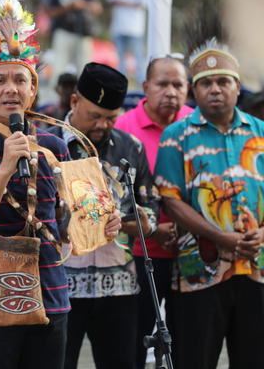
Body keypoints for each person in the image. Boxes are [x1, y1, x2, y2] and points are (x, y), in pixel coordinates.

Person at [0, 0, 121, 369]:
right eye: (0, 80)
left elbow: (74, 232)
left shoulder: (55, 144)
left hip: (52, 298)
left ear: (33, 89)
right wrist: (5, 167)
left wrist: (99, 224)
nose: (11, 89)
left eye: (20, 80)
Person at [154, 16, 264, 368]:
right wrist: (224, 238)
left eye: (223, 82)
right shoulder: (176, 136)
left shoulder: (261, 132)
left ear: (237, 87)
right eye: (206, 83)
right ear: (194, 90)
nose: (215, 89)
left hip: (258, 269)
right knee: (194, 359)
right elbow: (170, 202)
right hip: (200, 273)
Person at [48, 62, 160, 369]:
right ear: (74, 102)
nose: (102, 125)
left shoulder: (130, 148)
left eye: (111, 118)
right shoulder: (45, 145)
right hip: (59, 285)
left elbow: (151, 206)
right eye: (94, 116)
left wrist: (138, 221)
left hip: (118, 286)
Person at [114, 54, 193, 368]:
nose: (170, 91)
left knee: (186, 339)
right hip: (140, 254)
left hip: (189, 254)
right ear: (146, 86)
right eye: (162, 84)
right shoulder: (124, 127)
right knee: (133, 337)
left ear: (188, 88)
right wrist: (152, 228)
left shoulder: (193, 125)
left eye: (178, 84)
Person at [48, 0, 103, 88]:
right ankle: (56, 91)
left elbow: (98, 8)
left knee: (84, 65)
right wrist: (66, 8)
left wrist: (82, 4)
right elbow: (50, 12)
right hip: (64, 32)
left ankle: (84, 91)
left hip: (83, 33)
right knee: (59, 65)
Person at [105, 0, 148, 86]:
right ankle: (121, 82)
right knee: (120, 55)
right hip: (119, 26)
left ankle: (141, 82)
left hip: (135, 27)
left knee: (138, 55)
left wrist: (126, 3)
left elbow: (145, 3)